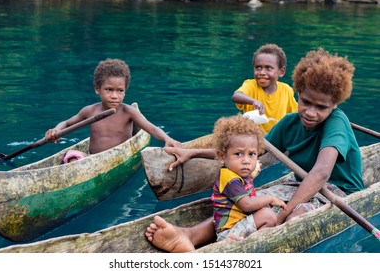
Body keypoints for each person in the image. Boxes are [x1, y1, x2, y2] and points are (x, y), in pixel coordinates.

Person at [145, 48, 365, 252]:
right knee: (249, 199)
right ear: (298, 93)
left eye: (321, 107)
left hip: (339, 192)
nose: (310, 112)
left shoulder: (337, 122)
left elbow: (321, 174)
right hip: (301, 184)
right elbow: (246, 151)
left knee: (297, 216)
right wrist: (193, 153)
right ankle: (189, 235)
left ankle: (243, 246)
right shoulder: (290, 123)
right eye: (306, 102)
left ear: (334, 105)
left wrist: (284, 213)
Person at [45, 58, 181, 163]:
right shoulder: (90, 111)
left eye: (120, 91)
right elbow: (67, 124)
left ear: (125, 91)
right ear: (97, 89)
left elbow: (152, 129)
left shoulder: (129, 112)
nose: (115, 96)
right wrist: (56, 131)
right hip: (92, 159)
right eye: (109, 90)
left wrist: (167, 139)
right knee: (70, 157)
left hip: (118, 159)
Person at [210, 114, 287, 241]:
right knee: (268, 215)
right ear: (222, 156)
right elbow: (247, 205)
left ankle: (253, 240)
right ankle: (253, 244)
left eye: (251, 154)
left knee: (267, 211)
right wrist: (271, 198)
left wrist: (250, 178)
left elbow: (244, 188)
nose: (246, 160)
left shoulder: (237, 175)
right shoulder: (229, 178)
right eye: (238, 154)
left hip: (239, 226)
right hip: (229, 233)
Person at [232, 43, 298, 133]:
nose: (262, 72)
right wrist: (253, 101)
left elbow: (296, 115)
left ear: (281, 72)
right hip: (252, 137)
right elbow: (236, 96)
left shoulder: (286, 90)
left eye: (268, 68)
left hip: (277, 138)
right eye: (258, 68)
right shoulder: (251, 85)